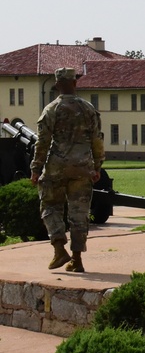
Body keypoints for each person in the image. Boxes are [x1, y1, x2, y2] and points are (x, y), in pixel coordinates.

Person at [30, 67, 104, 273]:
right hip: (83, 167)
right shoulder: (88, 109)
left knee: (50, 206)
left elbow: (42, 143)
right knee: (79, 214)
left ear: (57, 85)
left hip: (57, 167)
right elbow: (97, 139)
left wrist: (36, 169)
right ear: (75, 83)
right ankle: (77, 259)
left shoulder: (51, 110)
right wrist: (97, 166)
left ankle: (59, 248)